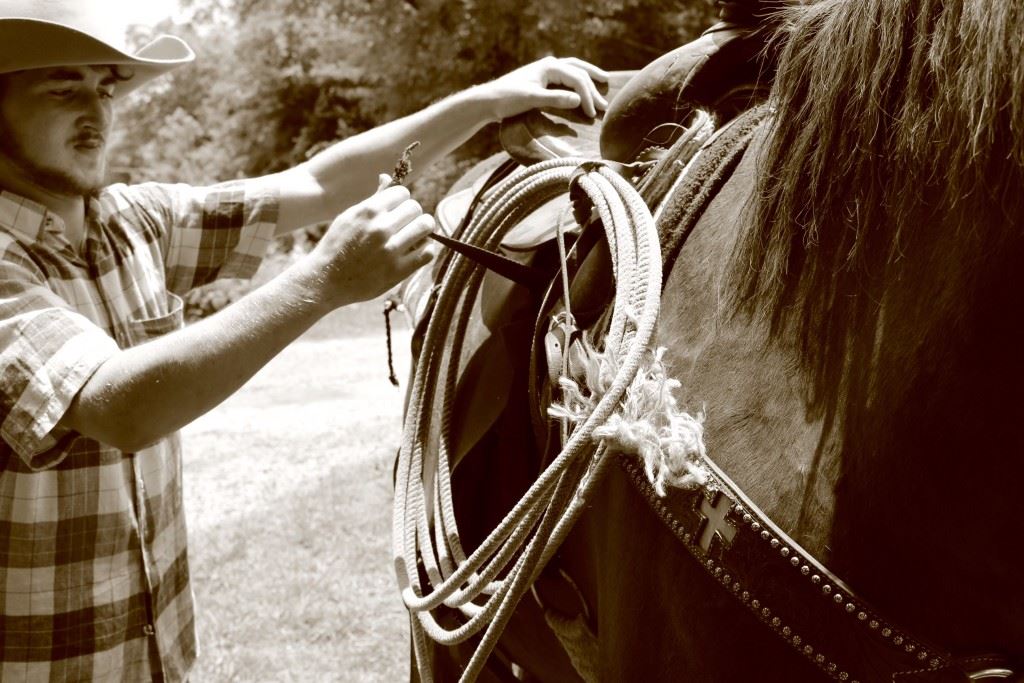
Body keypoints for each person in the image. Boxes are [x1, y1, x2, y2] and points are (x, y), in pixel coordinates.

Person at [0, 2, 609, 680]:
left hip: (148, 658)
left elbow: (318, 183)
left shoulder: (129, 222)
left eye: (103, 86)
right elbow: (119, 407)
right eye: (62, 88)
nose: (96, 111)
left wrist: (486, 103)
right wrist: (324, 280)